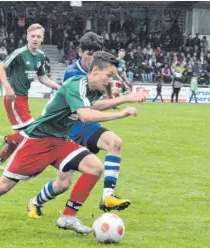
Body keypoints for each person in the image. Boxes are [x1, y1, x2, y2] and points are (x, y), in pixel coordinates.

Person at [0, 51, 140, 234]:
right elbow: (86, 114)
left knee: (95, 167)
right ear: (95, 71)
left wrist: (123, 99)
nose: (111, 81)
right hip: (38, 142)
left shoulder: (92, 89)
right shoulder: (77, 84)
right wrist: (121, 112)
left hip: (60, 141)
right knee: (2, 187)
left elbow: (92, 105)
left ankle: (68, 217)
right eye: (109, 75)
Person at [27, 32, 146, 218]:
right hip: (73, 128)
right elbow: (86, 108)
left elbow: (104, 97)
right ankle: (35, 202)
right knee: (63, 183)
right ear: (80, 53)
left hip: (88, 126)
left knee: (115, 143)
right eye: (90, 54)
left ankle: (107, 196)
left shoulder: (101, 71)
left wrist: (112, 95)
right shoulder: (73, 74)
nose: (93, 58)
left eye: (97, 54)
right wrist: (124, 100)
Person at [0, 23, 60, 167]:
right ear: (27, 37)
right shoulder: (20, 53)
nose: (35, 39)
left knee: (21, 135)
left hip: (24, 99)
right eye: (33, 36)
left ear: (42, 39)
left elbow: (42, 78)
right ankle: (2, 139)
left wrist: (59, 87)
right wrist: (7, 87)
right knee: (32, 132)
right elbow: (0, 67)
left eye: (38, 36)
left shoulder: (40, 56)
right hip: (14, 98)